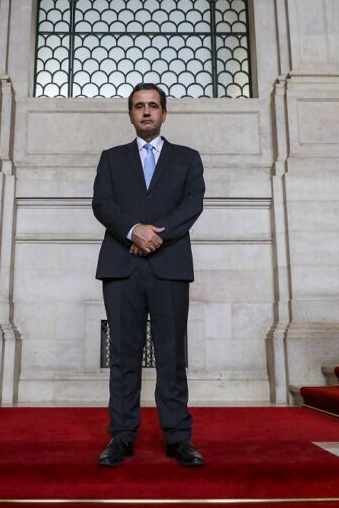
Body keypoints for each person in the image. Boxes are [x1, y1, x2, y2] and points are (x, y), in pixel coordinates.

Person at [92, 83, 205, 468]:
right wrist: (132, 232)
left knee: (171, 355)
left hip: (169, 266)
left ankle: (178, 438)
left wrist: (154, 236)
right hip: (121, 267)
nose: (146, 112)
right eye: (139, 106)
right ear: (130, 114)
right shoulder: (111, 158)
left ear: (163, 113)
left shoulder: (187, 158)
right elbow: (102, 204)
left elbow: (192, 204)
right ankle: (121, 437)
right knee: (124, 355)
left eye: (152, 106)